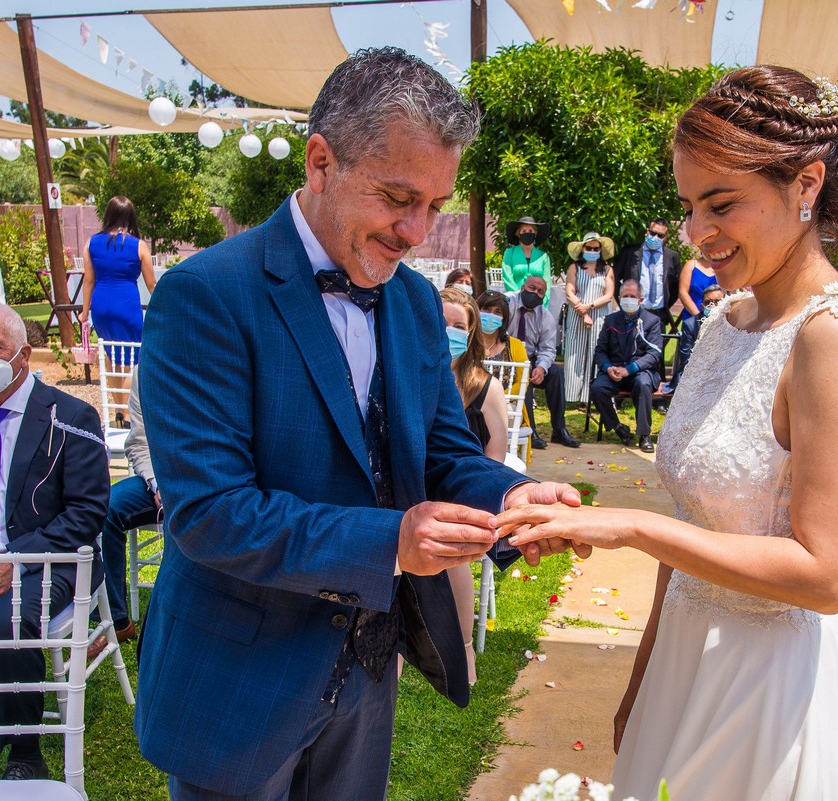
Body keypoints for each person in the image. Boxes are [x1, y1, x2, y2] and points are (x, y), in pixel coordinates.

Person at [133, 48, 583, 801]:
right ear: (320, 162)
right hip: (239, 684)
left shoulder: (413, 302)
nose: (417, 231)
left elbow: (441, 450)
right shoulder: (205, 294)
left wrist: (511, 495)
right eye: (398, 197)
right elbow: (209, 514)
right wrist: (392, 543)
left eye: (435, 205)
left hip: (368, 677)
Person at [497, 65, 838, 800]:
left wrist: (632, 528)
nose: (697, 233)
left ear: (806, 185)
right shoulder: (724, 319)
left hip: (767, 687)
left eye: (722, 204)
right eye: (688, 207)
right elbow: (695, 519)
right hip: (683, 653)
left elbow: (828, 576)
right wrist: (644, 682)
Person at [0, 300, 108, 781]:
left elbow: (86, 513)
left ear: (23, 354)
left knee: (9, 619)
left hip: (47, 557)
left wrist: (16, 560)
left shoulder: (71, 416)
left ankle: (25, 753)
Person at [440, 286, 510, 684]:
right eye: (441, 322)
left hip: (465, 492)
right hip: (415, 487)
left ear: (469, 334)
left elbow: (493, 458)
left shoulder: (485, 387)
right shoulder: (410, 376)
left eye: (457, 325)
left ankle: (463, 648)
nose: (447, 331)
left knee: (452, 544)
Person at [96, 365, 159, 657]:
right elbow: (139, 443)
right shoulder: (144, 371)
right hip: (158, 478)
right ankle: (117, 621)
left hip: (210, 481)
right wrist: (157, 484)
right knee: (104, 507)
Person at [589, 279, 664, 453]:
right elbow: (600, 351)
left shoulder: (651, 321)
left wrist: (629, 369)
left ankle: (644, 434)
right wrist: (608, 367)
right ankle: (618, 428)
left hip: (639, 371)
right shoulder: (611, 320)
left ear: (641, 299)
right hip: (614, 371)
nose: (628, 299)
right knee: (597, 388)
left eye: (632, 296)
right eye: (625, 296)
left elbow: (654, 354)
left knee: (643, 384)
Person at [507, 275, 579, 449]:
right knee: (525, 375)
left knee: (556, 374)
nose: (535, 293)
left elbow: (548, 349)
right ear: (523, 287)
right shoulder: (508, 303)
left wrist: (541, 367)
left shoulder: (545, 316)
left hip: (531, 357)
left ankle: (559, 429)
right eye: (532, 288)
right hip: (507, 355)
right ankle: (530, 430)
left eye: (540, 291)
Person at [80, 195, 156, 349]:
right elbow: (152, 284)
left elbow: (89, 280)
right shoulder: (139, 246)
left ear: (108, 215)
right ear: (130, 217)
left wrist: (84, 312)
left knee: (110, 352)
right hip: (127, 305)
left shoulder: (91, 243)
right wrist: (165, 308)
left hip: (100, 306)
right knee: (135, 352)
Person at [563, 232, 616, 405]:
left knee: (596, 351)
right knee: (575, 352)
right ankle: (572, 394)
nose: (592, 251)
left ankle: (591, 395)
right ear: (582, 249)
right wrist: (583, 311)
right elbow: (570, 292)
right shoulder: (574, 267)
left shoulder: (607, 270)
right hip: (577, 314)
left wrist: (590, 306)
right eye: (589, 248)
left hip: (599, 315)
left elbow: (608, 295)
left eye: (596, 248)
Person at [614, 218, 682, 332]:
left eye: (660, 235)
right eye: (653, 233)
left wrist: (665, 307)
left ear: (665, 237)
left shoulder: (672, 256)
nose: (655, 237)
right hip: (632, 312)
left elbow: (676, 287)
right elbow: (614, 280)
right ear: (647, 231)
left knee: (656, 344)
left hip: (658, 316)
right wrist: (624, 304)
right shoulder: (630, 253)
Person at [665, 283, 725, 394]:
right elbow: (686, 357)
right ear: (702, 306)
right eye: (708, 302)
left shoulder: (733, 322)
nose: (713, 305)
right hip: (696, 370)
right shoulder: (690, 324)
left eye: (718, 301)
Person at [501, 215, 552, 302]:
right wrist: (518, 298)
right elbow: (507, 278)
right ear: (518, 234)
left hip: (538, 302)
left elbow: (547, 281)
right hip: (515, 301)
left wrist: (543, 301)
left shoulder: (543, 256)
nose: (527, 233)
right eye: (523, 231)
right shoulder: (509, 253)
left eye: (530, 231)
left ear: (535, 234)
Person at [676, 253, 718, 322]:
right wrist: (699, 316)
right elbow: (683, 293)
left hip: (719, 318)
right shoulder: (691, 265)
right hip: (693, 317)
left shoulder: (725, 267)